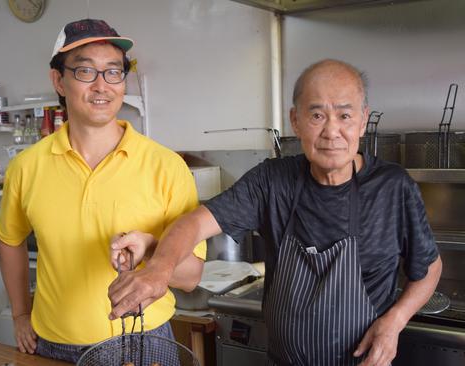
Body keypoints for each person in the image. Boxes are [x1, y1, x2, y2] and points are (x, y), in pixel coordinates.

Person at [108, 59, 442, 366]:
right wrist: (158, 270)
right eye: (316, 115)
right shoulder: (272, 181)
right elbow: (194, 223)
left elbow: (428, 268)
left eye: (344, 115)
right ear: (295, 120)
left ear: (363, 120)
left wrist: (394, 321)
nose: (331, 131)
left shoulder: (392, 188)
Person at [0, 18, 206, 363]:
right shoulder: (26, 167)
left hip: (144, 342)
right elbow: (10, 239)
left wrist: (150, 253)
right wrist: (20, 313)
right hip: (53, 344)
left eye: (113, 72)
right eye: (85, 72)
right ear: (58, 81)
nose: (102, 85)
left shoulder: (166, 165)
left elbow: (191, 277)